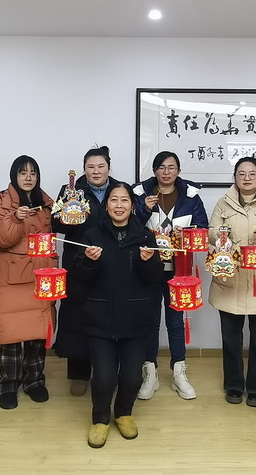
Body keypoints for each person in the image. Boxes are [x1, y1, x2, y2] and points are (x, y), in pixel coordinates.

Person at [75, 183, 164, 448]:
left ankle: (124, 413)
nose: (119, 205)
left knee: (132, 377)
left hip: (136, 319)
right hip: (99, 318)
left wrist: (148, 263)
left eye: (124, 200)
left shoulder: (145, 237)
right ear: (106, 205)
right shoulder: (91, 235)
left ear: (132, 206)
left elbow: (154, 279)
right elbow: (79, 279)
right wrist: (89, 262)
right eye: (113, 200)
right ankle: (100, 418)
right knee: (103, 377)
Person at [208, 156, 256, 408]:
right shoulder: (224, 202)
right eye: (241, 174)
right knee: (230, 338)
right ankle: (233, 385)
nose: (247, 178)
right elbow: (211, 232)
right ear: (235, 177)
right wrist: (221, 236)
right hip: (230, 276)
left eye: (252, 174)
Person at [132, 151, 207, 400]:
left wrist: (184, 235)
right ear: (154, 171)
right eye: (161, 167)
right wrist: (144, 210)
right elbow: (129, 226)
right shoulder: (140, 194)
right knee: (150, 320)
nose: (166, 172)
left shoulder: (191, 196)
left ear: (178, 170)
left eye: (171, 167)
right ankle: (150, 372)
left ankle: (178, 372)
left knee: (175, 321)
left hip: (179, 270)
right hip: (148, 268)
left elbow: (202, 229)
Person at [52, 145, 122, 397]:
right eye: (90, 167)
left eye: (101, 166)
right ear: (84, 169)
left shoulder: (119, 190)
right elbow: (55, 224)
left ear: (109, 168)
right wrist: (67, 214)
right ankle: (79, 373)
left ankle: (107, 372)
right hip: (78, 261)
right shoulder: (70, 190)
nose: (96, 171)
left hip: (112, 261)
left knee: (109, 314)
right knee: (77, 314)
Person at [0, 155, 57, 410]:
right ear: (14, 176)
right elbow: (1, 239)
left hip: (42, 275)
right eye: (22, 172)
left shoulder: (47, 204)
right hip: (11, 277)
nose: (28, 177)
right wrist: (16, 218)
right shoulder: (3, 203)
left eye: (32, 173)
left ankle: (34, 381)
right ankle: (8, 384)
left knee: (38, 331)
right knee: (10, 333)